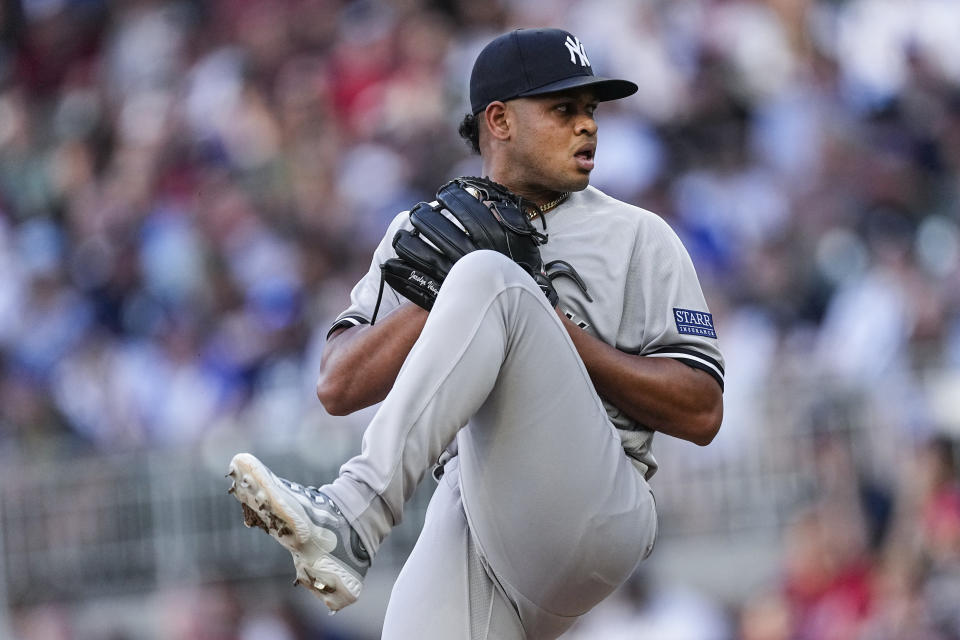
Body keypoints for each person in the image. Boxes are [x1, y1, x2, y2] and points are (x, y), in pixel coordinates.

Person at [227, 28, 724, 639]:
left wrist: (544, 318)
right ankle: (349, 519)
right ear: (499, 120)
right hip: (480, 516)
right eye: (563, 110)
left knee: (491, 274)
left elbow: (702, 411)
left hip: (598, 502)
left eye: (591, 110)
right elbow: (337, 384)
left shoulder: (640, 235)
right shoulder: (430, 228)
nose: (587, 126)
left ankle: (355, 510)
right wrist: (434, 299)